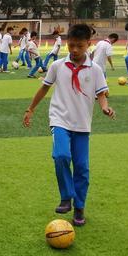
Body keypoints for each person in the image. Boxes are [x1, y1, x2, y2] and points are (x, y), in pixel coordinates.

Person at [23, 24, 114, 226]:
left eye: (79, 46)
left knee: (82, 168)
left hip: (82, 125)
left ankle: (79, 207)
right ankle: (66, 197)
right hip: (60, 120)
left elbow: (101, 93)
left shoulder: (96, 70)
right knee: (61, 155)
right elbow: (44, 88)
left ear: (88, 45)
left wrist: (105, 107)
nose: (74, 50)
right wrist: (30, 109)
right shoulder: (57, 66)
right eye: (71, 45)